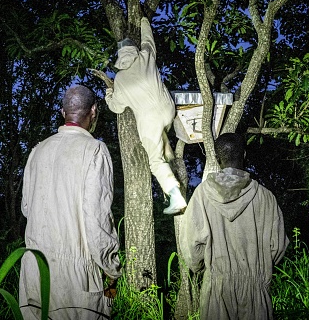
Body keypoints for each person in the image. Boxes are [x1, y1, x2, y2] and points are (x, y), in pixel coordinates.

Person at [19, 85, 122, 320]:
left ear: (62, 112)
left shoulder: (38, 150)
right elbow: (97, 219)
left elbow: (27, 208)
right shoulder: (95, 150)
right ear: (94, 111)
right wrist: (111, 269)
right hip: (76, 277)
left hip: (33, 271)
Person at [180, 132, 289, 319]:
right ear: (244, 155)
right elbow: (277, 247)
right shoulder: (265, 197)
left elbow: (191, 250)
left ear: (217, 157)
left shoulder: (202, 195)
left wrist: (201, 267)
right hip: (256, 293)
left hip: (217, 291)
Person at [104, 16, 187, 215]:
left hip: (149, 123)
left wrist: (109, 92)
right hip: (168, 110)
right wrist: (143, 22)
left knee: (155, 160)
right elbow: (148, 40)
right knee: (163, 141)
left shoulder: (121, 78)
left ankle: (176, 197)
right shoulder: (145, 57)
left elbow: (116, 107)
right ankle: (169, 155)